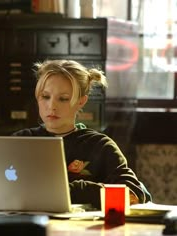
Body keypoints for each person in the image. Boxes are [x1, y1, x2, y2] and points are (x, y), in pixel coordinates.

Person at [12, 59, 152, 209]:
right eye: (45, 97)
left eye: (63, 99)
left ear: (81, 101)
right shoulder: (18, 141)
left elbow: (133, 196)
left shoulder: (101, 146)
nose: (51, 106)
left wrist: (81, 189)